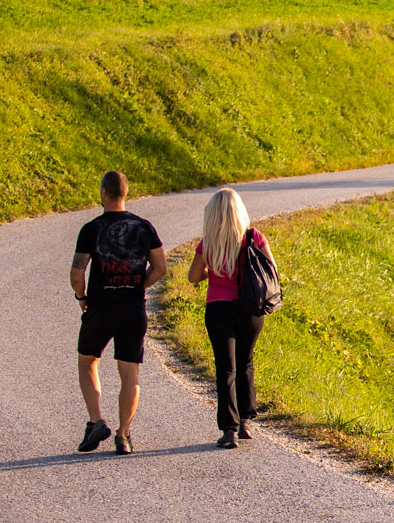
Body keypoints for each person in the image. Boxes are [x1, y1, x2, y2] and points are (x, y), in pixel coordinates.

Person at [72, 170, 167, 454]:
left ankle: (96, 421)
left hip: (100, 307)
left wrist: (82, 297)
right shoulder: (145, 227)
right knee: (130, 374)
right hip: (132, 308)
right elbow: (160, 268)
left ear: (103, 192)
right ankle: (123, 435)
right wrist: (140, 285)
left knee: (88, 362)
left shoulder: (92, 229)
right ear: (126, 193)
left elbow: (78, 273)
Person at [187, 188, 270, 449]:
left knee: (225, 368)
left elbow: (193, 276)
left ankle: (228, 430)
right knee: (246, 362)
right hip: (249, 308)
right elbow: (271, 269)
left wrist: (213, 272)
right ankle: (246, 421)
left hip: (218, 307)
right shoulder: (254, 237)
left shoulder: (208, 241)